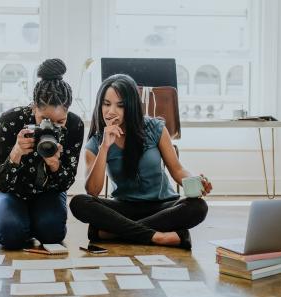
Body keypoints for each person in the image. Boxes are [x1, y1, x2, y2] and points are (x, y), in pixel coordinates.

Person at [69, 74, 212, 250]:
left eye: (120, 105)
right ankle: (158, 237)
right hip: (124, 207)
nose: (111, 111)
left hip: (162, 206)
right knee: (79, 203)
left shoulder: (155, 128)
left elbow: (177, 170)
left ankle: (115, 233)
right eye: (106, 104)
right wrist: (104, 147)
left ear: (131, 106)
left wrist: (196, 181)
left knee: (198, 207)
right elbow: (93, 191)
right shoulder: (96, 142)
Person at [0, 58, 84, 249]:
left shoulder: (74, 125)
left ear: (68, 112)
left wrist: (55, 165)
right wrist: (16, 153)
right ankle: (21, 220)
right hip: (10, 192)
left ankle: (31, 221)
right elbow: (1, 182)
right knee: (10, 234)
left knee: (52, 234)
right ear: (33, 107)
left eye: (59, 122)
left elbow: (66, 183)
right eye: (44, 120)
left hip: (48, 192)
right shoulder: (11, 121)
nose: (50, 127)